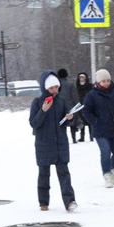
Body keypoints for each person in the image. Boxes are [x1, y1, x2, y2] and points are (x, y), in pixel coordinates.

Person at [29, 70, 78, 212]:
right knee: (44, 174)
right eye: (51, 88)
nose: (54, 90)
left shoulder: (61, 101)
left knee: (64, 174)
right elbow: (34, 123)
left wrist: (70, 118)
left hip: (60, 143)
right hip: (44, 144)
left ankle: (70, 201)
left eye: (56, 87)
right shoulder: (37, 102)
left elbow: (65, 122)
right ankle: (43, 202)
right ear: (45, 88)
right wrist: (43, 110)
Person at [81, 69, 114, 188]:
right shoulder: (92, 95)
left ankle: (112, 170)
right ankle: (106, 174)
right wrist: (96, 121)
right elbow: (86, 111)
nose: (106, 83)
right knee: (105, 151)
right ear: (98, 82)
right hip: (100, 130)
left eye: (108, 80)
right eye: (103, 81)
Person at [56, 69, 81, 143]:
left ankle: (62, 139)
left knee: (62, 123)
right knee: (72, 122)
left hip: (59, 106)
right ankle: (73, 138)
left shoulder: (57, 85)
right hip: (70, 106)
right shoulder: (70, 84)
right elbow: (74, 96)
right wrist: (77, 105)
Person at [73, 72, 93, 143]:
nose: (81, 79)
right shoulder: (77, 88)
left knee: (90, 121)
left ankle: (91, 136)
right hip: (80, 107)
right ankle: (82, 137)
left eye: (83, 78)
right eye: (80, 78)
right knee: (82, 122)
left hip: (89, 106)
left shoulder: (90, 87)